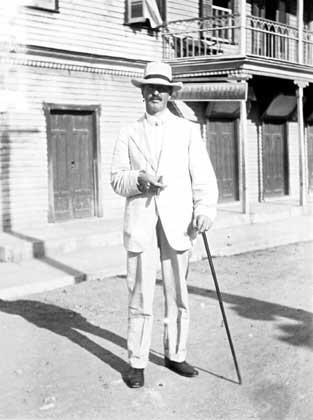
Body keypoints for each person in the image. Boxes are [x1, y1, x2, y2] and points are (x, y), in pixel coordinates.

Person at [111, 61, 218, 388]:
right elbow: (116, 180)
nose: (155, 92)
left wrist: (205, 209)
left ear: (170, 93)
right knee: (140, 294)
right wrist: (139, 180)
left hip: (178, 221)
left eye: (162, 88)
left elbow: (203, 178)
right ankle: (137, 361)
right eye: (149, 87)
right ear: (142, 92)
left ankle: (175, 354)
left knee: (179, 292)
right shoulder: (128, 132)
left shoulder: (187, 130)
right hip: (141, 221)